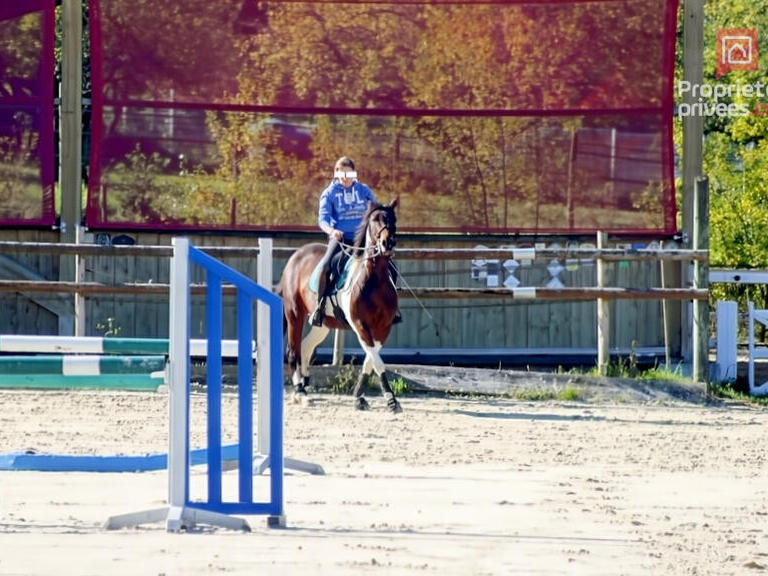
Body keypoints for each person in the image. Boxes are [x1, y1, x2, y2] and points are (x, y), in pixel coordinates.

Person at [310, 156, 376, 326]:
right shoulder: (329, 194)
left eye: (349, 173)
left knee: (386, 263)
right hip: (340, 239)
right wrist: (332, 231)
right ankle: (320, 307)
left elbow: (375, 212)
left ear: (354, 174)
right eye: (341, 173)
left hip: (363, 238)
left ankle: (391, 305)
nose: (345, 177)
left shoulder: (364, 190)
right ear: (336, 173)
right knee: (325, 266)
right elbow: (323, 220)